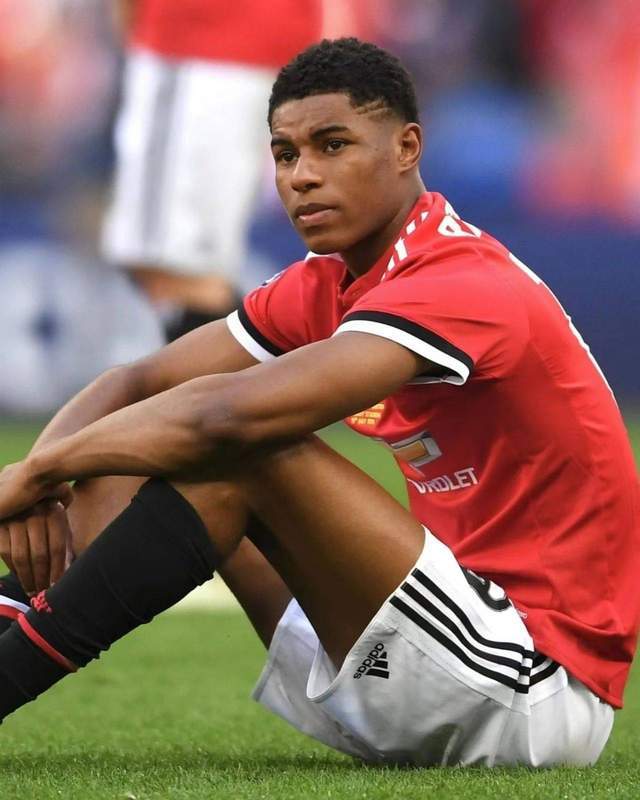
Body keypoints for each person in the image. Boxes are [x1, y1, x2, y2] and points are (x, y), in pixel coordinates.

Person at [0, 38, 638, 768]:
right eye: (285, 154)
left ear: (406, 148)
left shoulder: (461, 278)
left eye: (333, 146)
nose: (302, 176)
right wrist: (37, 484)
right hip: (421, 658)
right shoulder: (330, 280)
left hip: (532, 686)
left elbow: (224, 417)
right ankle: (13, 613)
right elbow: (139, 383)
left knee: (241, 447)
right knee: (140, 441)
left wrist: (36, 473)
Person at [103, 0, 322, 340]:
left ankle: (257, 370)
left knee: (175, 268)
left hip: (198, 42)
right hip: (245, 44)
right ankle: (254, 366)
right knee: (179, 266)